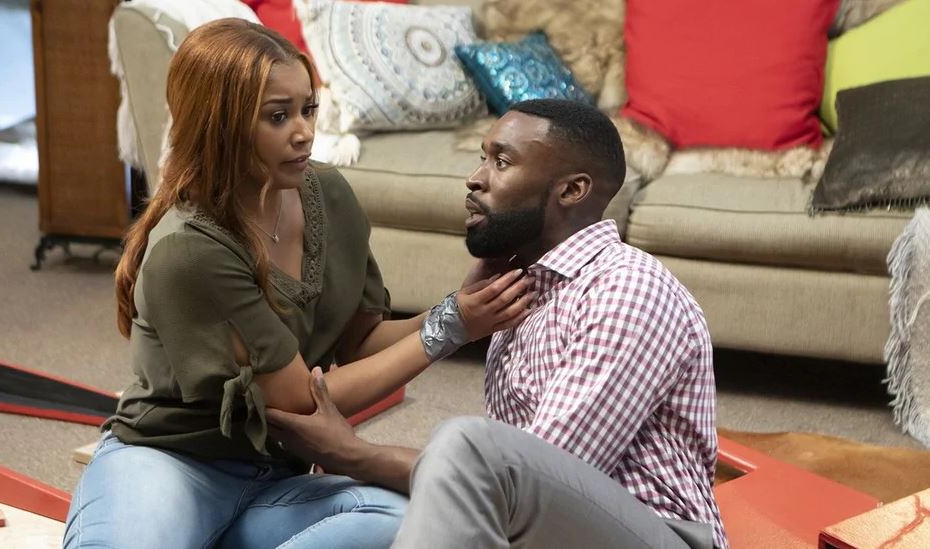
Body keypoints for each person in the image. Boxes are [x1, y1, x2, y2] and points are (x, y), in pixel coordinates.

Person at [62, 19, 533, 549]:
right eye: (277, 116)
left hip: (276, 480)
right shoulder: (189, 249)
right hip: (172, 463)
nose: (304, 131)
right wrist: (452, 328)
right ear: (220, 125)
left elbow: (360, 342)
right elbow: (302, 405)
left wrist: (457, 310)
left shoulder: (328, 193)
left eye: (307, 108)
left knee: (410, 520)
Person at [266, 99, 729, 549]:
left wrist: (353, 454)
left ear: (572, 191)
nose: (475, 178)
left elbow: (531, 478)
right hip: (557, 529)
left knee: (464, 444)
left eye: (502, 162)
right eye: (482, 157)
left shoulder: (626, 290)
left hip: (657, 534)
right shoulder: (525, 287)